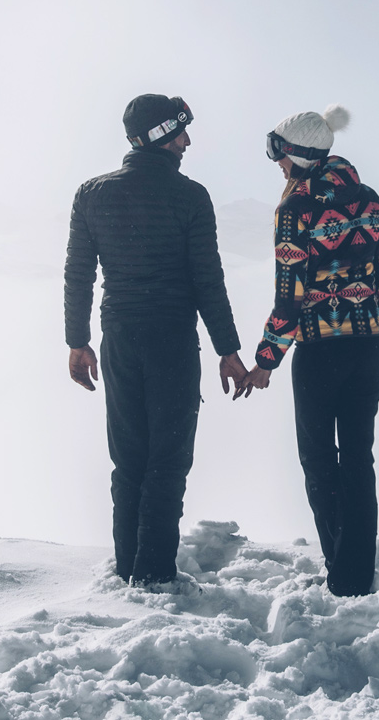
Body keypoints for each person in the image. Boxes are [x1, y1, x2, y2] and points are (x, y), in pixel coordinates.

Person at [64, 93, 248, 587]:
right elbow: (208, 280)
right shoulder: (191, 197)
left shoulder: (91, 193)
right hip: (171, 339)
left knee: (128, 460)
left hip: (117, 338)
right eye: (181, 132)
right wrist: (228, 351)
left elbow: (78, 274)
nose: (188, 141)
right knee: (167, 461)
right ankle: (154, 576)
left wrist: (77, 342)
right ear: (162, 135)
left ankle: (128, 571)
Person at [233, 105, 379, 596]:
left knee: (320, 462)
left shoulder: (295, 210)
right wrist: (375, 336)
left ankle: (342, 578)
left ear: (300, 155)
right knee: (359, 460)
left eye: (279, 156)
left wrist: (265, 361)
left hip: (320, 355)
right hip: (369, 350)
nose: (278, 167)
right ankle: (357, 574)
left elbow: (291, 297)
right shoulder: (369, 198)